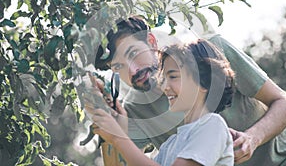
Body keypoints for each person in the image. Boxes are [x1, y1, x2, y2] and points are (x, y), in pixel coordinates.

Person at [94, 16, 286, 165]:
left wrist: (252, 138)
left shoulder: (212, 53)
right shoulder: (134, 110)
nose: (133, 70)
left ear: (151, 41)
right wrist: (107, 124)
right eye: (118, 67)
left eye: (133, 53)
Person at [87, 39, 235, 165]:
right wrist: (119, 127)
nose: (165, 87)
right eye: (164, 79)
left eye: (173, 77)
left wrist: (119, 138)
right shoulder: (169, 145)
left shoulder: (212, 126)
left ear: (203, 81)